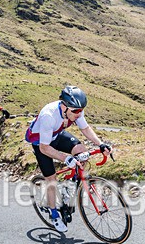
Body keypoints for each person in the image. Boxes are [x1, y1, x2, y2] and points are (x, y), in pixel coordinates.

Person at [25, 85, 111, 232]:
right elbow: (44, 148)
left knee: (81, 151)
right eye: (76, 111)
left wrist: (100, 144)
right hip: (41, 142)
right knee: (51, 180)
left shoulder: (75, 110)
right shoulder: (49, 115)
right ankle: (54, 214)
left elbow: (85, 128)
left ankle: (69, 186)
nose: (79, 114)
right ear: (64, 107)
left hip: (56, 135)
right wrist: (66, 158)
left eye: (81, 110)